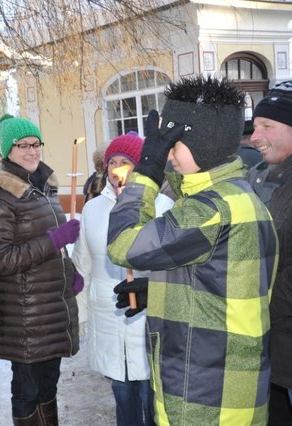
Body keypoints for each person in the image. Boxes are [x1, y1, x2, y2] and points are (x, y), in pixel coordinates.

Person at [107, 76, 278, 425]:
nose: (168, 154)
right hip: (222, 387)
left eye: (173, 144)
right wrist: (162, 289)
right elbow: (222, 282)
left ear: (204, 144)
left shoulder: (211, 208)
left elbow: (122, 244)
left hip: (206, 398)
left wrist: (147, 172)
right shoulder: (236, 195)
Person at [0, 114, 80, 425]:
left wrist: (68, 271)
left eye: (36, 144)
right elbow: (1, 259)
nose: (32, 151)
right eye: (23, 145)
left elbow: (53, 247)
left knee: (48, 385)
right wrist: (53, 240)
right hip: (24, 314)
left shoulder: (43, 188)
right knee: (27, 390)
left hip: (50, 308)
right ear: (8, 150)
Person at [72, 132, 173, 426]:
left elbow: (172, 266)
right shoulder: (93, 209)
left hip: (147, 316)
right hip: (108, 315)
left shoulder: (163, 206)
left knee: (152, 397)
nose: (117, 168)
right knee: (122, 394)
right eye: (112, 162)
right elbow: (82, 266)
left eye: (125, 162)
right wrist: (81, 315)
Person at [246, 80, 292, 425]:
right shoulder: (255, 176)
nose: (254, 137)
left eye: (267, 126)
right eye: (254, 126)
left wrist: (259, 297)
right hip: (264, 346)